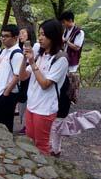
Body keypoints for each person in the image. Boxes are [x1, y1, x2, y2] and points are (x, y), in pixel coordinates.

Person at [19, 19, 68, 154]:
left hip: (45, 109)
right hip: (32, 105)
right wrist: (25, 59)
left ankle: (44, 173)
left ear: (54, 36)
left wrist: (32, 63)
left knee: (41, 145)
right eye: (39, 34)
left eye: (44, 35)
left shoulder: (60, 58)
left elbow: (45, 84)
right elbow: (23, 76)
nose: (40, 38)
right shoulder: (41, 55)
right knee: (30, 141)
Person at [0, 24, 24, 132]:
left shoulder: (17, 54)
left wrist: (6, 93)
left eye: (6, 36)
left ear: (15, 37)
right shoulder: (3, 51)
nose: (3, 39)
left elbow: (17, 76)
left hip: (8, 94)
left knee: (6, 124)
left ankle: (6, 147)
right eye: (2, 36)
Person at [17, 25, 39, 135]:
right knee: (22, 100)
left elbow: (32, 62)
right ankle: (25, 124)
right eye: (19, 33)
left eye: (23, 33)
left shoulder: (35, 46)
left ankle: (27, 126)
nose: (20, 36)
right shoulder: (20, 48)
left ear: (29, 34)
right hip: (23, 77)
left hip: (30, 76)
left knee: (27, 99)